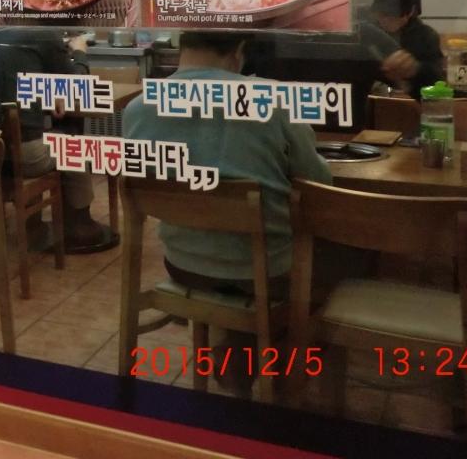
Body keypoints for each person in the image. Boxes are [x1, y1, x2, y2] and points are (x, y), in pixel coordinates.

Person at [122, 30, 333, 291]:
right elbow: (319, 185)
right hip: (267, 273)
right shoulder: (274, 100)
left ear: (181, 46)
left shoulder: (137, 109)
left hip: (183, 266)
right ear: (239, 51)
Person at [0, 27, 117, 253]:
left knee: (52, 135)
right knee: (75, 147)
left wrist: (49, 93)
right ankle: (78, 225)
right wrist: (79, 52)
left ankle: (33, 223)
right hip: (22, 155)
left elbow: (11, 80)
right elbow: (78, 86)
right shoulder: (41, 32)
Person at [364, 0, 445, 97]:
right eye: (382, 15)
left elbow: (437, 83)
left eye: (393, 16)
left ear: (411, 12)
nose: (386, 20)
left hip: (412, 103)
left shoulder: (425, 37)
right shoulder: (368, 34)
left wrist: (415, 69)